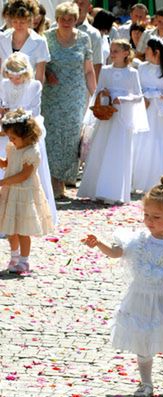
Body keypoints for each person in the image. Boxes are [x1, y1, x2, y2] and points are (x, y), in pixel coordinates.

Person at [82, 176, 163, 397]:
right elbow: (117, 253)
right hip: (140, 298)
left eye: (156, 217)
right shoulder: (138, 240)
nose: (149, 221)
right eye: (146, 215)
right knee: (142, 340)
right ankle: (145, 383)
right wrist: (99, 243)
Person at [77, 39, 148, 204]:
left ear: (125, 53)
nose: (112, 54)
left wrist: (121, 98)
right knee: (101, 148)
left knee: (118, 151)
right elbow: (98, 91)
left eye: (116, 51)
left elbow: (138, 96)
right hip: (106, 115)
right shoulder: (106, 71)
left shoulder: (132, 73)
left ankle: (114, 191)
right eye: (111, 50)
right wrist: (105, 96)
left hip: (122, 117)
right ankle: (97, 189)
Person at [41, 1, 96, 199]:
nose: (66, 22)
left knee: (71, 139)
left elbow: (89, 70)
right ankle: (53, 183)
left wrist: (95, 96)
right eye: (63, 18)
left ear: (76, 19)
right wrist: (47, 72)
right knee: (52, 137)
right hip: (51, 95)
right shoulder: (46, 38)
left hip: (75, 96)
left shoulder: (84, 39)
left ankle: (63, 181)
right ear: (56, 19)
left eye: (70, 19)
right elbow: (40, 63)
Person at [0, 52, 57, 224]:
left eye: (18, 77)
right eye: (11, 77)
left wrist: (12, 122)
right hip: (5, 126)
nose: (14, 80)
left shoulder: (34, 85)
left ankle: (29, 214)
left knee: (26, 167)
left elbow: (32, 111)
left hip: (25, 127)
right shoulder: (4, 84)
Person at [0, 108, 53, 273]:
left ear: (26, 134)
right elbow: (8, 164)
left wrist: (2, 181)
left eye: (14, 137)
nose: (11, 140)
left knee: (22, 229)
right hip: (11, 192)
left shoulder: (32, 152)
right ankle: (14, 256)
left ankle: (24, 260)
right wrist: (1, 162)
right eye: (10, 137)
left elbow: (23, 175)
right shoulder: (12, 148)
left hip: (24, 193)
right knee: (10, 228)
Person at [132, 37, 163, 192]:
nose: (144, 51)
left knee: (159, 144)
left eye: (148, 48)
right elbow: (136, 88)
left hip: (160, 113)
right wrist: (145, 95)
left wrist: (155, 95)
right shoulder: (142, 68)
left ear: (156, 52)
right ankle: (138, 180)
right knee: (142, 143)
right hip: (144, 109)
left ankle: (158, 180)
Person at [0, 0, 50, 83]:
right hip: (3, 91)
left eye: (22, 22)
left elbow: (40, 75)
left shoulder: (40, 42)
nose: (18, 25)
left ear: (30, 20)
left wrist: (36, 93)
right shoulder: (1, 38)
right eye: (15, 21)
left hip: (27, 92)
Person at [73, 0, 103, 81]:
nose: (78, 5)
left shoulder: (94, 34)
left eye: (82, 3)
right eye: (76, 1)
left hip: (82, 88)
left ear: (89, 7)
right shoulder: (55, 27)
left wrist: (93, 92)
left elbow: (96, 65)